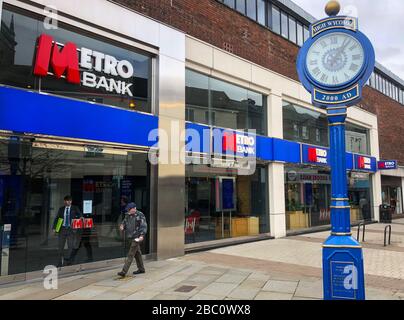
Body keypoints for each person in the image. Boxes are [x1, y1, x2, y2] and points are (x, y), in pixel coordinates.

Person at [117, 202, 147, 277]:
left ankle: (124, 271)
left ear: (134, 208)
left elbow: (143, 226)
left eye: (130, 210)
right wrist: (122, 226)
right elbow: (124, 222)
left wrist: (142, 236)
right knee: (137, 254)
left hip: (136, 238)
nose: (129, 211)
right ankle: (141, 269)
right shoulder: (128, 215)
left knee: (131, 254)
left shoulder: (140, 215)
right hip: (130, 237)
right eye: (128, 210)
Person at [53, 195, 82, 267]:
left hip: (71, 230)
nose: (68, 202)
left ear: (71, 201)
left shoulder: (75, 208)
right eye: (66, 201)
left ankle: (69, 262)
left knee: (70, 246)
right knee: (60, 247)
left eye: (69, 201)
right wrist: (54, 228)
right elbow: (57, 218)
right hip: (62, 229)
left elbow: (80, 215)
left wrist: (80, 217)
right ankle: (60, 262)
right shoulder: (61, 209)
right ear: (64, 201)